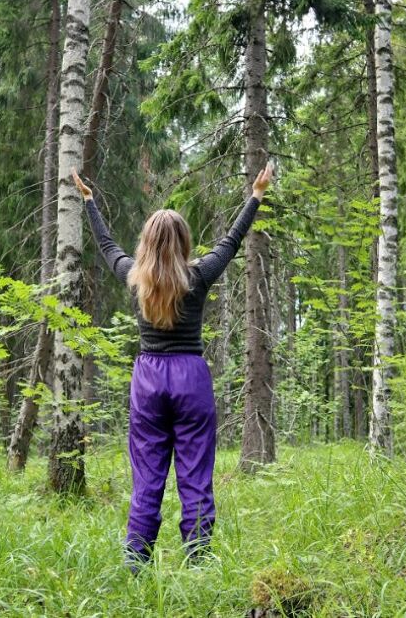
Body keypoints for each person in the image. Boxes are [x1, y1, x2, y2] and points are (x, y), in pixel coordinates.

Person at [71, 165, 274, 571]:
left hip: (147, 379)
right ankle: (198, 561)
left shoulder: (135, 277)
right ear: (183, 242)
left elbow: (107, 246)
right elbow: (231, 242)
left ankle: (136, 564)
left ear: (146, 242)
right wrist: (256, 194)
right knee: (195, 472)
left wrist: (89, 203)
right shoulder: (197, 276)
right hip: (190, 377)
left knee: (147, 475)